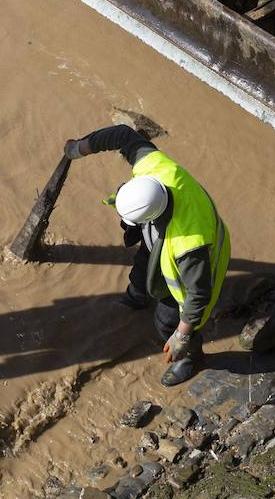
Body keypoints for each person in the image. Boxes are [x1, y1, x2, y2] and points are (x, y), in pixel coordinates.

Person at [64, 124, 230, 386]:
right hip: (161, 242)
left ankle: (193, 358)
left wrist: (182, 336)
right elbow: (122, 134)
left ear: (152, 217)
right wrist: (79, 148)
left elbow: (198, 295)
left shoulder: (188, 246)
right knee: (141, 272)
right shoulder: (154, 167)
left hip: (195, 262)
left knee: (166, 322)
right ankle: (137, 297)